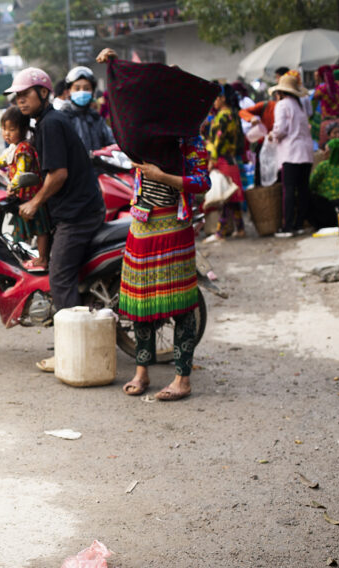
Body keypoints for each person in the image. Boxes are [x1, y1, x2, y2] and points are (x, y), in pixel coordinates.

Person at [96, 48, 215, 402]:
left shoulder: (189, 139)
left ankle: (182, 378)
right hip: (141, 228)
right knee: (138, 303)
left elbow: (202, 182)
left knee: (181, 305)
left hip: (174, 229)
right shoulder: (138, 138)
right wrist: (114, 66)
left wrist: (164, 176)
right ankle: (142, 372)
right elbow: (121, 105)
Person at [6, 65, 105, 371]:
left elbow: (58, 174)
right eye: (17, 96)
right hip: (74, 209)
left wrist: (35, 202)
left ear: (44, 93)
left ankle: (71, 353)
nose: (21, 100)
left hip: (78, 214)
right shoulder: (45, 122)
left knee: (60, 276)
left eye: (26, 94)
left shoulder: (51, 123)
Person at [0, 106, 51, 265]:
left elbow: (22, 171)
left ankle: (43, 258)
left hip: (32, 197)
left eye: (12, 129)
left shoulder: (23, 148)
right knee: (24, 229)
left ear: (24, 129)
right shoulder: (14, 147)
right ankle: (27, 257)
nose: (6, 133)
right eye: (4, 129)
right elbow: (2, 160)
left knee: (40, 229)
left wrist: (12, 185)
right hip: (22, 197)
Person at [268, 73, 315, 237]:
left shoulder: (282, 105)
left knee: (288, 190)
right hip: (306, 153)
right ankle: (299, 223)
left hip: (291, 153)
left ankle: (287, 226)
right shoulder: (298, 104)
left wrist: (272, 135)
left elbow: (280, 130)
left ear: (280, 93)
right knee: (302, 189)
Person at [205, 84, 246, 240]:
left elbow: (217, 140)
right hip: (232, 159)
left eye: (216, 98)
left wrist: (212, 161)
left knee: (224, 196)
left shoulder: (222, 116)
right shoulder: (234, 114)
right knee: (231, 195)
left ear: (222, 98)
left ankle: (220, 232)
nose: (214, 101)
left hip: (222, 160)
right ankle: (240, 228)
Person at [64, 66, 116, 152]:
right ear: (69, 91)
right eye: (77, 88)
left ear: (92, 92)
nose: (82, 91)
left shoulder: (97, 119)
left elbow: (111, 142)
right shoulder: (63, 118)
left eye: (86, 88)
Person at [308, 137, 339, 229]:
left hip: (329, 208)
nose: (324, 153)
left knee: (307, 196)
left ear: (331, 153)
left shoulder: (324, 166)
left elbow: (311, 184)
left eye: (326, 150)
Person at [312, 65, 339, 148]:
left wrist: (317, 82)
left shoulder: (321, 89)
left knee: (327, 149)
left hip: (327, 124)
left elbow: (315, 98)